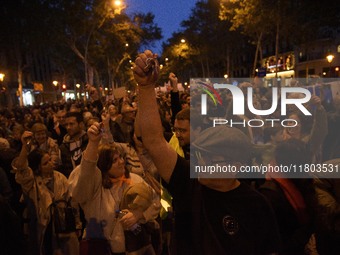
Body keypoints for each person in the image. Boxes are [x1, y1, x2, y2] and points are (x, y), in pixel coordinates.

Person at [132, 49, 281, 254]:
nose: (201, 163)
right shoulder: (188, 182)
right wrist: (146, 86)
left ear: (235, 164)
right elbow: (153, 141)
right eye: (200, 155)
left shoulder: (257, 205)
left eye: (211, 158)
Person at [70, 121, 161, 255]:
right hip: (101, 248)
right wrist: (93, 143)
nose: (121, 162)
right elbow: (87, 170)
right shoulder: (94, 186)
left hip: (134, 249)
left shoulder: (134, 179)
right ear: (104, 166)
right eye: (114, 160)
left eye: (120, 158)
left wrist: (139, 214)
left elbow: (155, 202)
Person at [12, 130, 80, 255]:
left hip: (64, 227)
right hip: (43, 229)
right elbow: (21, 169)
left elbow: (72, 201)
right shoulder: (31, 183)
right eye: (46, 163)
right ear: (37, 167)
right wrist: (24, 148)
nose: (51, 163)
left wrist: (77, 224)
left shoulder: (60, 177)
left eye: (50, 160)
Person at [59, 111, 88, 177]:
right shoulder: (63, 147)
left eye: (71, 124)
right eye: (66, 125)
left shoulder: (89, 141)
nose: (68, 127)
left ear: (80, 124)